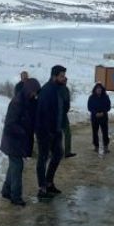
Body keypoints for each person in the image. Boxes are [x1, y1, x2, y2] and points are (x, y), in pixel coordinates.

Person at [0, 77, 41, 207]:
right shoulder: (17, 102)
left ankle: (6, 191)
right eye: (33, 91)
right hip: (13, 140)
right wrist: (24, 131)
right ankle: (15, 196)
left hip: (18, 140)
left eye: (36, 92)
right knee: (17, 166)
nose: (34, 94)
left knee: (14, 165)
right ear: (28, 89)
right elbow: (10, 124)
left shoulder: (29, 101)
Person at [35, 65, 67, 199]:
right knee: (43, 158)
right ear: (54, 76)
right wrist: (47, 131)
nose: (64, 78)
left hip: (56, 130)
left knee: (58, 154)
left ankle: (49, 182)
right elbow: (43, 113)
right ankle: (42, 188)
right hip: (45, 131)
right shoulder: (47, 90)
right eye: (61, 75)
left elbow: (63, 108)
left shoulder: (59, 89)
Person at [88, 83, 111, 152]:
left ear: (102, 89)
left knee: (105, 132)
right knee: (95, 132)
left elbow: (108, 106)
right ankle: (96, 146)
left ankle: (106, 146)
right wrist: (95, 113)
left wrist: (103, 112)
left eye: (100, 89)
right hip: (95, 117)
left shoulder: (106, 97)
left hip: (103, 117)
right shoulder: (91, 97)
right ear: (95, 90)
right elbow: (89, 107)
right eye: (97, 89)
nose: (99, 90)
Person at [60, 83, 76, 158]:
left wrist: (66, 109)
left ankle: (67, 152)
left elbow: (67, 101)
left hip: (63, 114)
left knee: (68, 133)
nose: (65, 81)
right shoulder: (55, 88)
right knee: (56, 134)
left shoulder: (66, 89)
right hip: (56, 115)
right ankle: (57, 152)